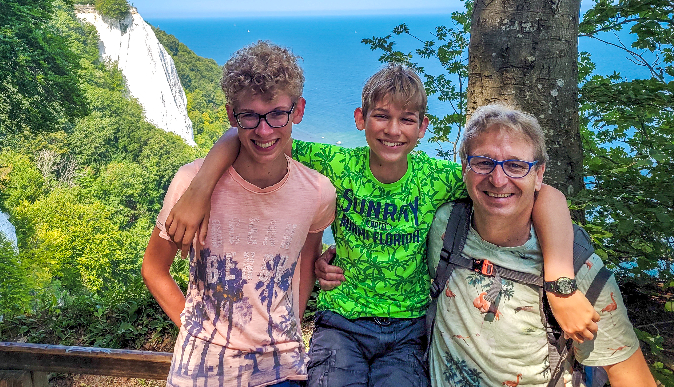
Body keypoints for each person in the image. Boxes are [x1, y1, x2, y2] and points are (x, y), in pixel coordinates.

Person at [165, 64, 596, 387]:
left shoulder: (438, 177)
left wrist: (561, 280)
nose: (393, 130)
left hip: (408, 329)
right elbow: (255, 136)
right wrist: (200, 189)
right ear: (360, 119)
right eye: (381, 116)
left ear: (423, 127)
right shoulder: (338, 164)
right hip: (342, 321)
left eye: (407, 119)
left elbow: (546, 195)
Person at [142, 41, 336, 387]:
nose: (264, 130)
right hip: (198, 368)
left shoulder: (317, 192)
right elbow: (155, 269)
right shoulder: (190, 183)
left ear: (299, 109)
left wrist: (289, 327)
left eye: (278, 113)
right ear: (232, 116)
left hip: (282, 369)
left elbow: (305, 263)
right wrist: (194, 331)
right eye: (250, 116)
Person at [427, 103, 655, 387]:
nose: (498, 180)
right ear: (465, 167)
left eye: (516, 166)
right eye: (484, 162)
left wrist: (560, 284)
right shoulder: (445, 224)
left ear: (540, 174)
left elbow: (631, 378)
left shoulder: (577, 269)